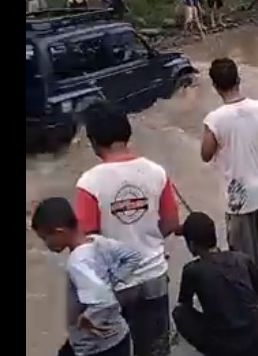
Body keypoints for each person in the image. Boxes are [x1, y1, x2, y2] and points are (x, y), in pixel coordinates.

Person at [74, 101, 180, 356]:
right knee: (155, 348)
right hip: (154, 274)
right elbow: (171, 224)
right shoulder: (157, 172)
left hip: (116, 285)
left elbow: (87, 241)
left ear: (94, 141)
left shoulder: (89, 182)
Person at [201, 58, 258, 302]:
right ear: (238, 79)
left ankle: (250, 301)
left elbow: (205, 154)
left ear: (215, 86)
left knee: (243, 254)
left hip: (237, 197)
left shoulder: (215, 119)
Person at [31, 197, 141, 356]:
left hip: (96, 347)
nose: (46, 244)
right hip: (117, 335)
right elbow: (133, 257)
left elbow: (104, 302)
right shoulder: (99, 242)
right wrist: (113, 282)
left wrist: (89, 318)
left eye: (45, 238)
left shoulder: (78, 262)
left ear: (60, 232)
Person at [172, 212, 258, 356]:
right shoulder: (240, 258)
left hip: (229, 348)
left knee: (179, 313)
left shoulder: (192, 270)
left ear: (192, 245)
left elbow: (184, 305)